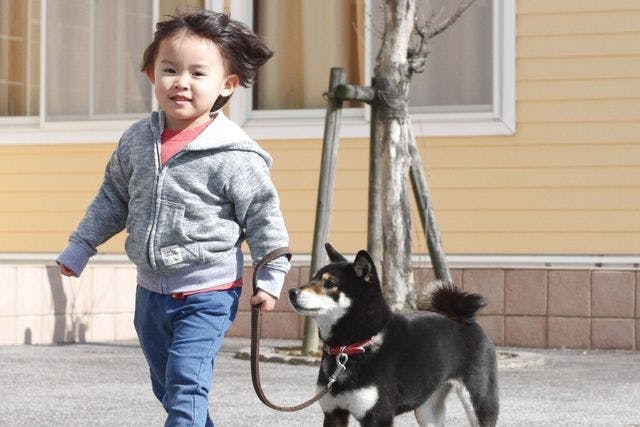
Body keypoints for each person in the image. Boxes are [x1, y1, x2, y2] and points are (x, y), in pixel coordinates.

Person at [57, 9, 289, 426]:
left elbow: (264, 218)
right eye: (170, 69)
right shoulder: (136, 141)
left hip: (208, 293)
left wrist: (271, 276)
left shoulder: (235, 155)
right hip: (150, 292)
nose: (181, 82)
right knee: (169, 387)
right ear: (151, 74)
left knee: (186, 384)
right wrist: (80, 246)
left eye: (198, 73)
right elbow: (112, 199)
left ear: (227, 85)